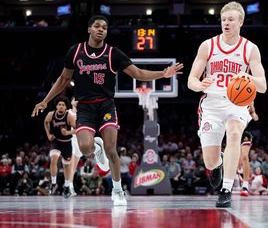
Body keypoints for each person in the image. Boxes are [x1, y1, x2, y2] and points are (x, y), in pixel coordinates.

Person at [32, 15, 183, 206]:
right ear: (89, 29)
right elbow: (63, 79)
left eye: (104, 27)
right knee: (85, 148)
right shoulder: (76, 51)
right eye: (97, 26)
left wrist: (163, 73)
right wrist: (45, 101)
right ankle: (96, 148)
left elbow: (137, 73)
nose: (101, 29)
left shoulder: (113, 53)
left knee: (112, 149)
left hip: (106, 105)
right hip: (85, 107)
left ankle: (118, 190)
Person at [187, 1, 267, 207]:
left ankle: (226, 189)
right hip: (211, 104)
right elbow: (191, 81)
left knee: (234, 134)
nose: (226, 23)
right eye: (224, 20)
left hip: (236, 103)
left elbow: (263, 86)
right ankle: (219, 165)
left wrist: (248, 79)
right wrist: (200, 85)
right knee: (210, 161)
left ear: (241, 21)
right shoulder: (208, 46)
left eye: (231, 19)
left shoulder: (250, 49)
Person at [67, 97, 109, 196]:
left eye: (78, 99)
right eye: (74, 99)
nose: (76, 100)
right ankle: (68, 187)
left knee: (74, 168)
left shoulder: (83, 113)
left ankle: (70, 187)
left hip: (81, 140)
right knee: (70, 165)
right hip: (72, 140)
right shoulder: (68, 113)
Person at [43, 96, 76, 198]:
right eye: (59, 105)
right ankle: (53, 183)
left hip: (67, 142)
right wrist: (48, 134)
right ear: (56, 106)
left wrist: (68, 132)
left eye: (63, 105)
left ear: (66, 107)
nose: (61, 106)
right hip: (56, 142)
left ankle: (66, 186)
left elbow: (77, 129)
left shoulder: (69, 116)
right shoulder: (51, 114)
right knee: (53, 160)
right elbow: (46, 122)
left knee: (66, 166)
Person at [239, 102, 259, 196]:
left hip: (245, 133)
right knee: (236, 161)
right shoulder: (229, 95)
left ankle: (245, 185)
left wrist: (253, 115)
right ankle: (237, 177)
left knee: (244, 157)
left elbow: (254, 115)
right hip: (233, 131)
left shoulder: (249, 98)